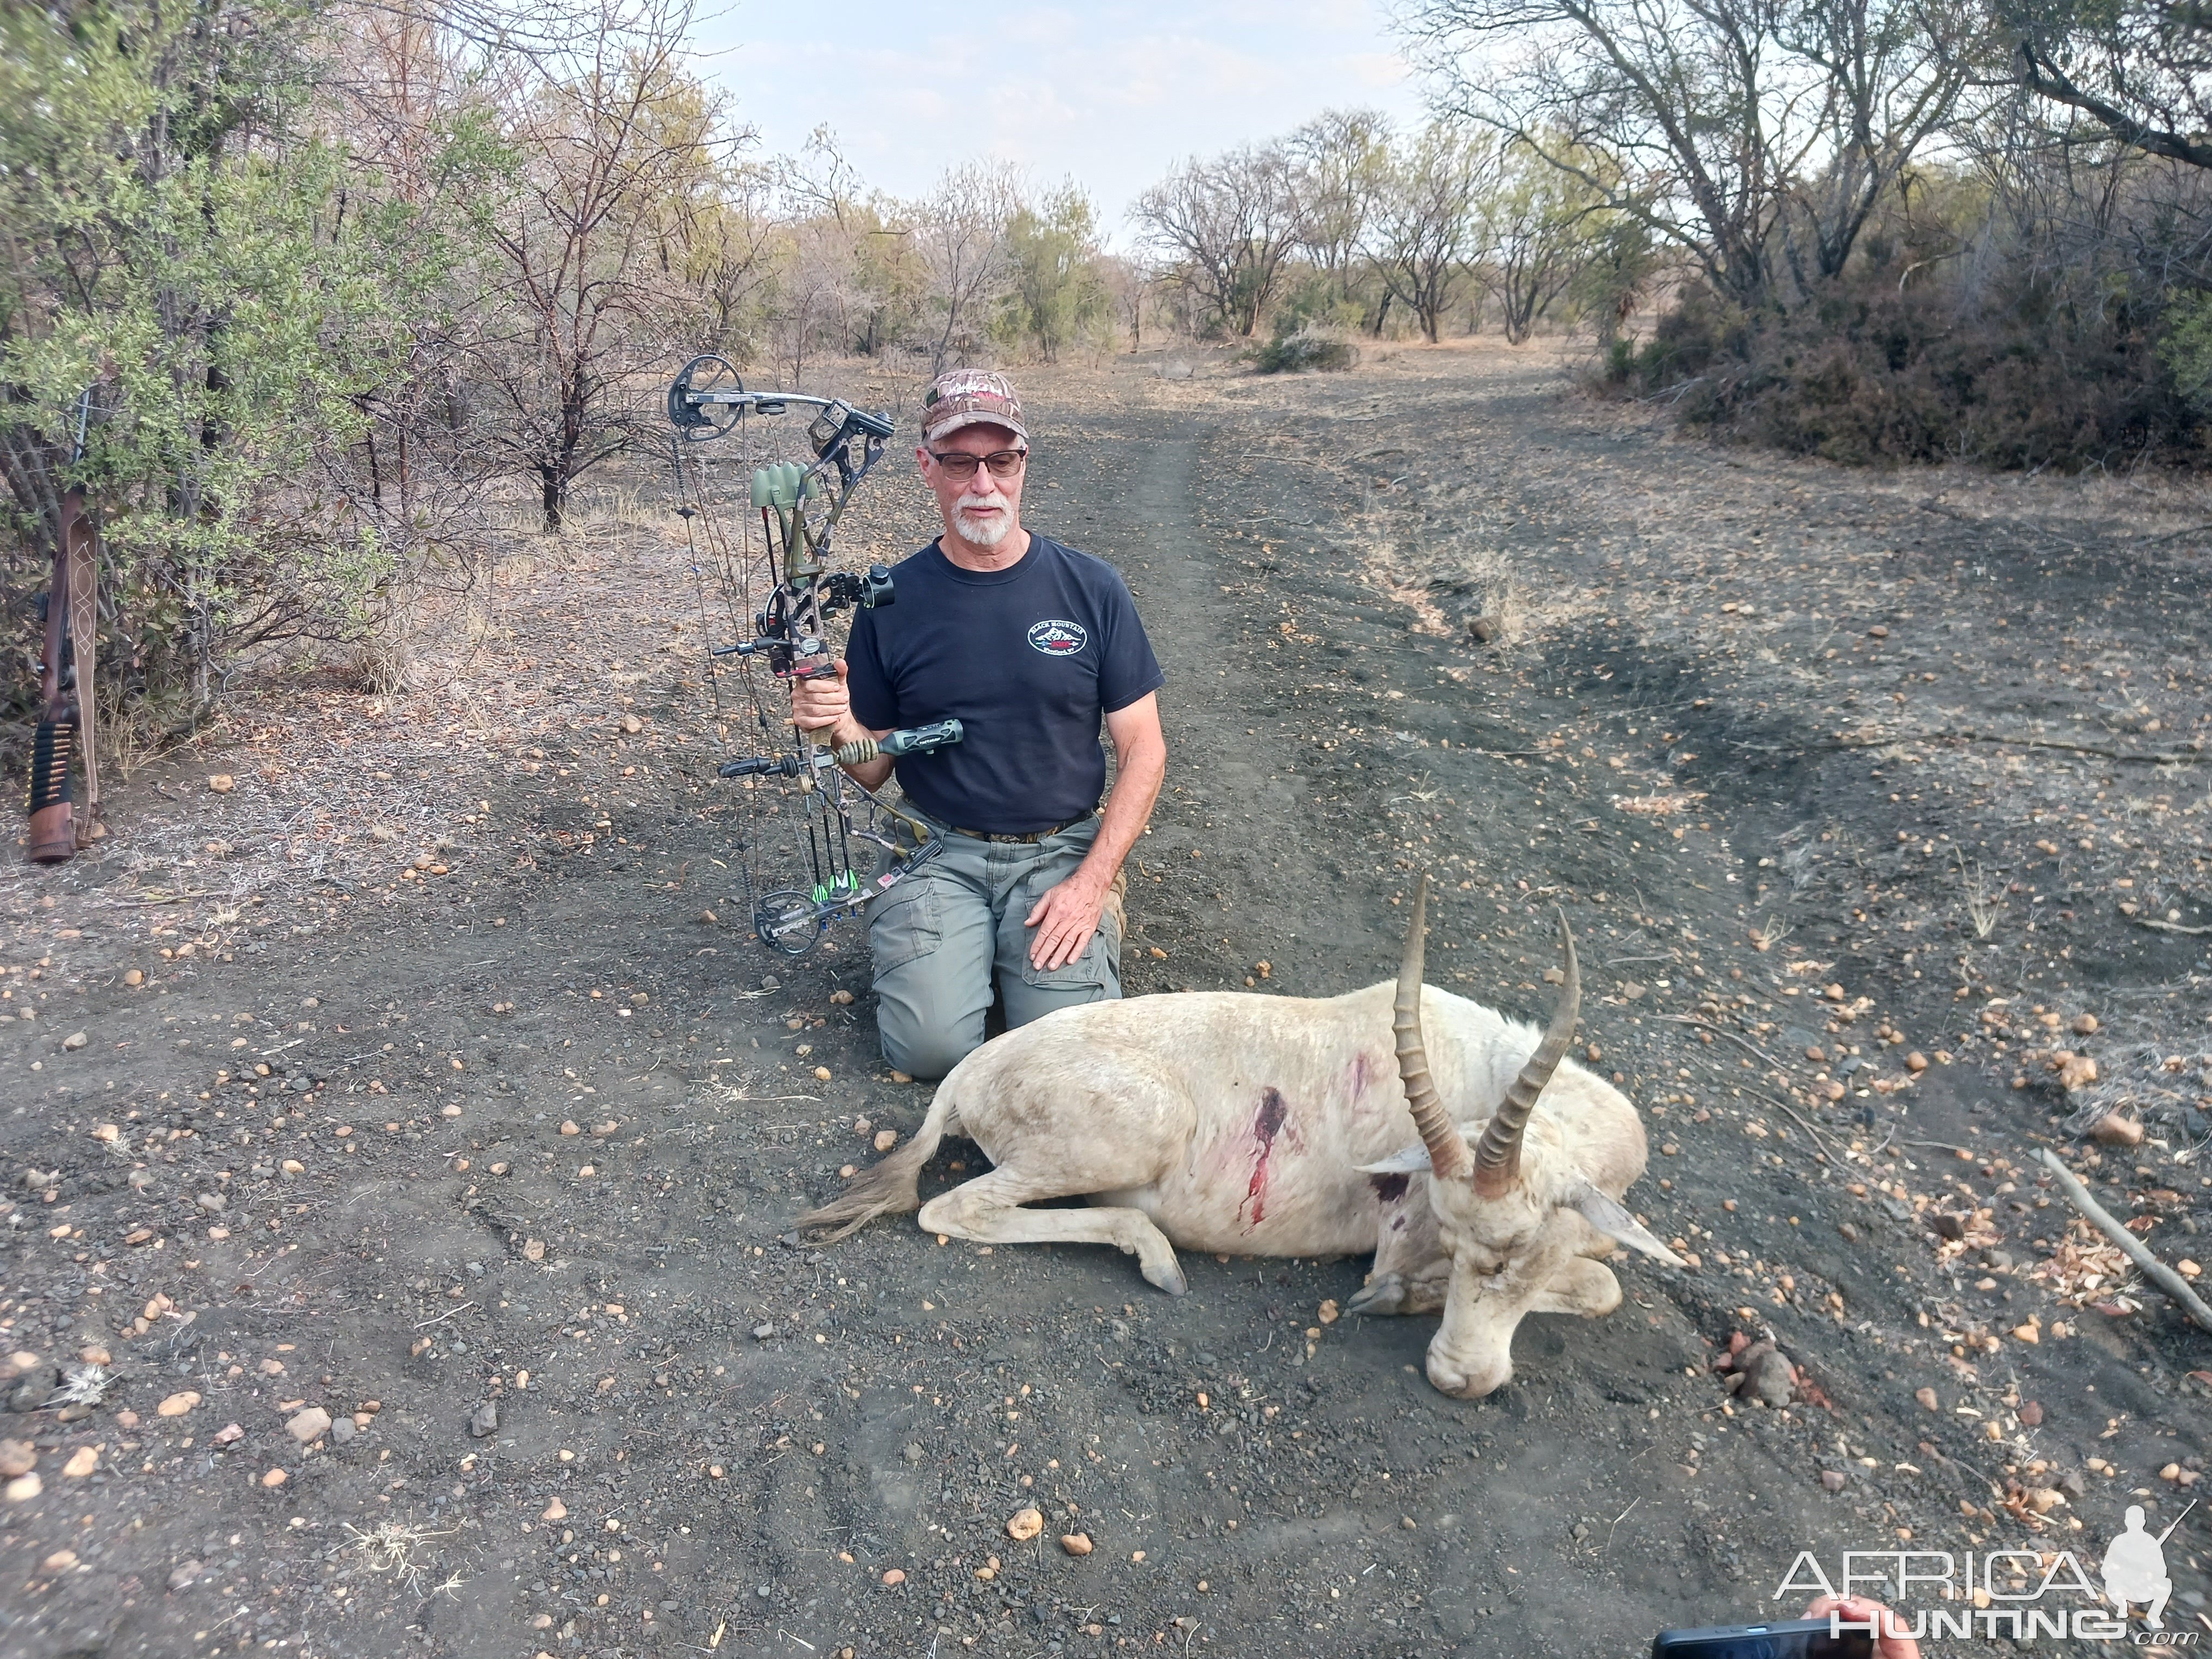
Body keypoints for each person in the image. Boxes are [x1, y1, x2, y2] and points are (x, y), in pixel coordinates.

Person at [790, 369, 1167, 1079]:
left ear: (1023, 464)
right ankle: (956, 951)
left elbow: (1144, 748)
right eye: (960, 462)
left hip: (1059, 853)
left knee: (1067, 1059)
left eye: (1000, 460)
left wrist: (1090, 883)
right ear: (927, 467)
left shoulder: (1092, 588)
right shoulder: (889, 603)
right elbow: (875, 766)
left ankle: (1065, 935)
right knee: (929, 1052)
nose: (982, 483)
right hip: (936, 853)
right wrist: (832, 726)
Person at [2100, 1504, 2175, 1628]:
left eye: (2138, 1520)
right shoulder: (2119, 1541)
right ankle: (2123, 1608)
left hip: (2142, 1585)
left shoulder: (2151, 1543)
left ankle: (2154, 1615)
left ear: (2143, 1522)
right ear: (2126, 1522)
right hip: (2121, 1585)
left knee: (2166, 1584)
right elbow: (2106, 1569)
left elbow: (2162, 1571)